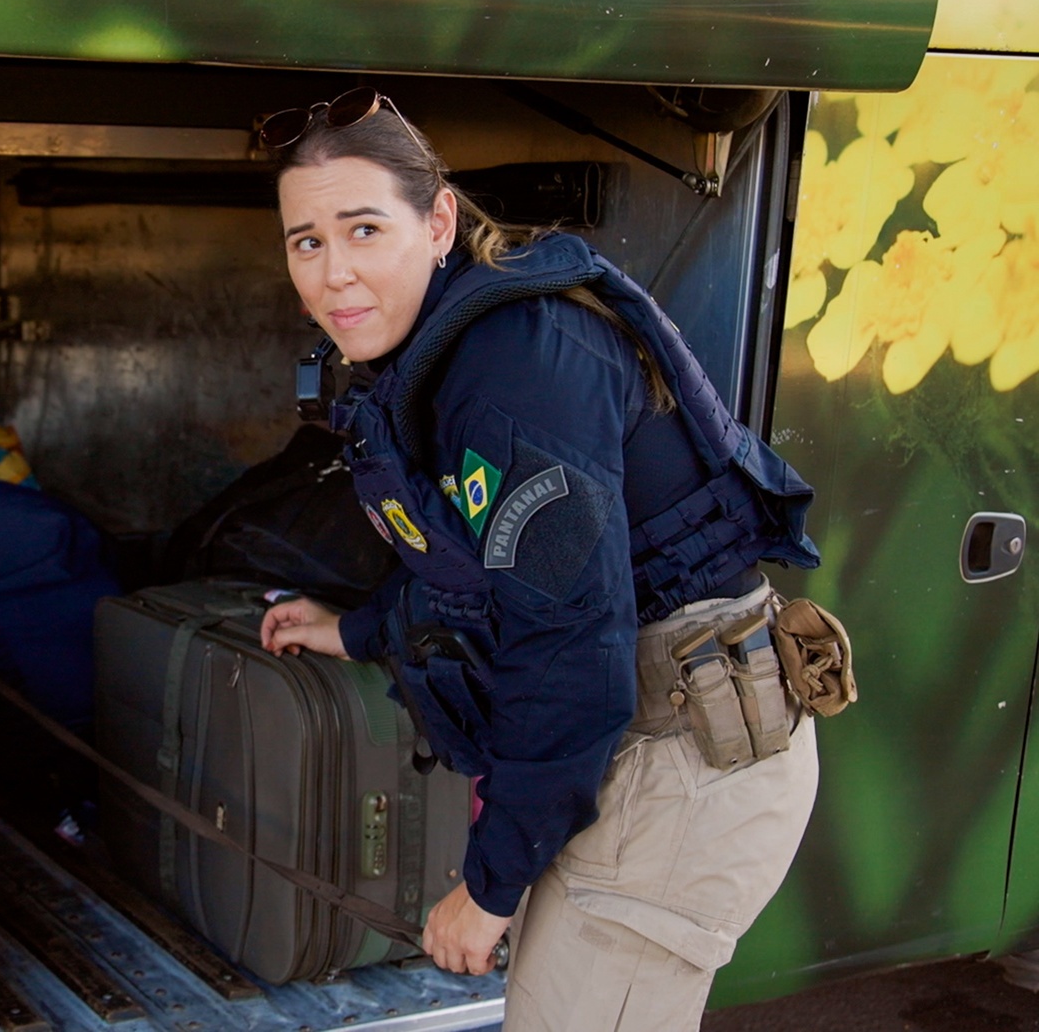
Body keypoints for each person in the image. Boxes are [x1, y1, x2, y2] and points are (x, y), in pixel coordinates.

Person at [255, 88, 824, 1030]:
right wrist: (355, 627)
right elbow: (484, 574)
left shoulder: (515, 366)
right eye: (306, 241)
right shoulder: (446, 350)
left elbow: (570, 649)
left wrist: (490, 887)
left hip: (682, 761)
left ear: (439, 221)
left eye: (363, 229)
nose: (332, 276)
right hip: (629, 745)